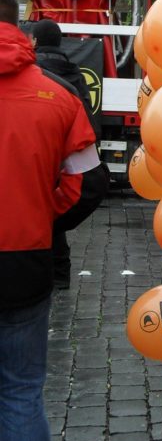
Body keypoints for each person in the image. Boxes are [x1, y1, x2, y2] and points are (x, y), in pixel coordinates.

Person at [0, 0, 108, 441]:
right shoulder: (59, 97)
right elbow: (87, 184)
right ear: (17, 23)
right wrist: (44, 216)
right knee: (20, 394)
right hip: (24, 262)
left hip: (26, 255)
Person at [31, 19, 97, 290]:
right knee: (54, 213)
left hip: (42, 151)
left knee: (39, 211)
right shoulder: (75, 73)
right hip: (70, 152)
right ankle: (60, 272)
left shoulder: (35, 72)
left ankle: (48, 271)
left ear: (34, 41)